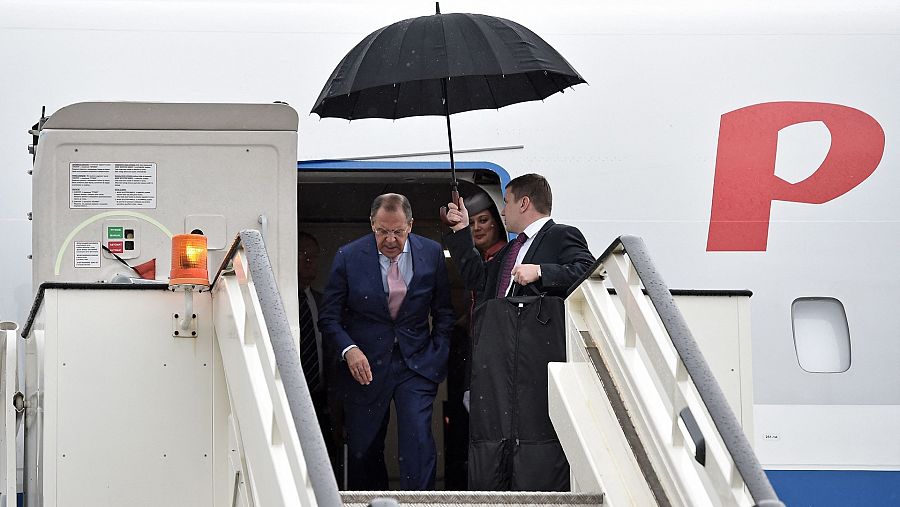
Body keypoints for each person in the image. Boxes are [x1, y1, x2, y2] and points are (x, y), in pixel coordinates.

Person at [444, 173, 594, 491]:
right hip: (499, 364)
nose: (503, 211)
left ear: (524, 202)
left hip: (531, 364)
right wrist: (459, 231)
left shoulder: (561, 235)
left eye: (507, 202)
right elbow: (477, 277)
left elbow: (587, 270)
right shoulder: (510, 251)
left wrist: (541, 271)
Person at [318, 193, 454, 490]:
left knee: (418, 442)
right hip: (364, 367)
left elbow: (444, 312)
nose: (390, 239)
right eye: (382, 231)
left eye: (398, 231)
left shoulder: (431, 253)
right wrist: (349, 349)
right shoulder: (348, 256)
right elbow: (329, 317)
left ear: (411, 225)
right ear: (372, 224)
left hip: (416, 364)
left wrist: (437, 353)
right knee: (364, 449)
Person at [444, 190, 507, 489]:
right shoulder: (486, 257)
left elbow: (475, 278)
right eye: (473, 223)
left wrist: (458, 234)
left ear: (497, 223)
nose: (478, 227)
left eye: (484, 221)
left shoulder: (504, 257)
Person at [296, 231, 343, 484]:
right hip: (290, 396)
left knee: (325, 467)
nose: (309, 260)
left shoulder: (323, 302)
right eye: (302, 254)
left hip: (322, 400)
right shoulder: (282, 300)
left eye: (313, 256)